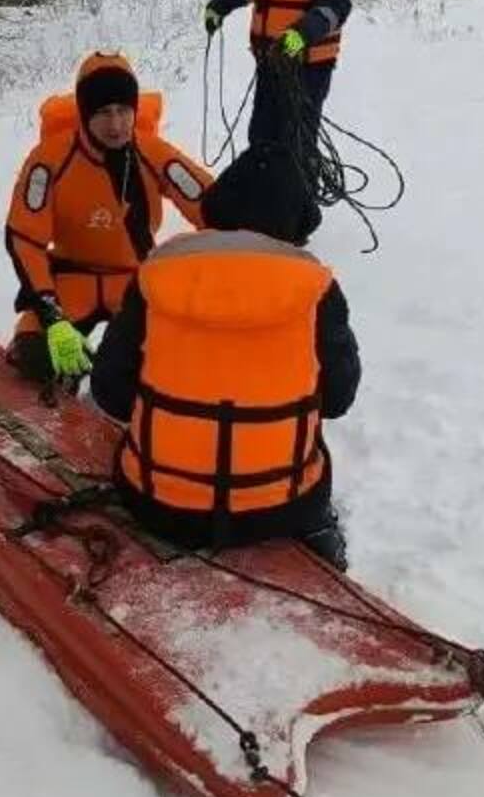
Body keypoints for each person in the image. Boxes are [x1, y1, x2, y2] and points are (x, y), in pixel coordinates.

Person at [88, 164, 361, 569]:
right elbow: (338, 398)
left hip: (158, 505)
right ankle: (318, 534)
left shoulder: (155, 276)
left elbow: (110, 392)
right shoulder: (317, 290)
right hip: (285, 509)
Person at [4, 52, 213, 384]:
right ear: (85, 113)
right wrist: (52, 317)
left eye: (123, 110)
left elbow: (212, 208)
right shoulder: (49, 160)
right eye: (102, 112)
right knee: (35, 359)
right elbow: (24, 238)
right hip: (70, 280)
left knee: (158, 365)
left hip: (132, 281)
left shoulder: (152, 153)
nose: (115, 125)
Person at [202, 0, 357, 243]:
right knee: (262, 136)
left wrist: (299, 36)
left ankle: (296, 221)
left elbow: (336, 5)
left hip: (307, 69)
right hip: (272, 64)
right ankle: (263, 209)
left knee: (294, 144)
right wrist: (219, 6)